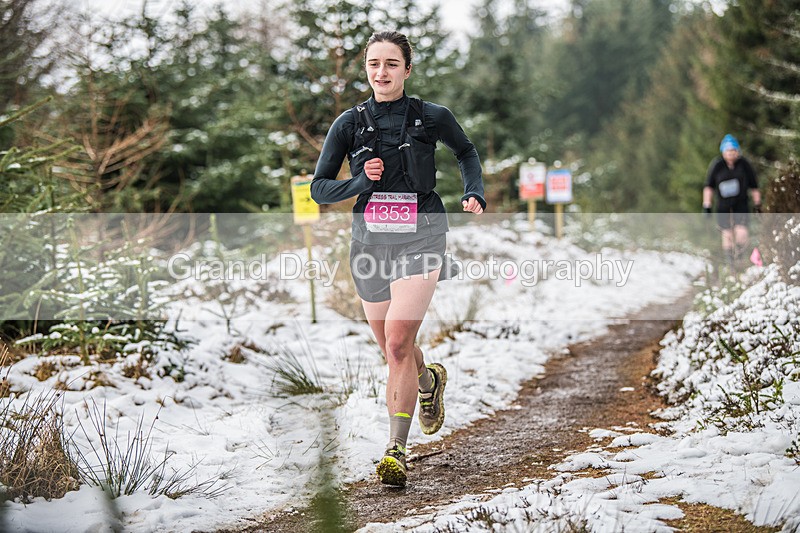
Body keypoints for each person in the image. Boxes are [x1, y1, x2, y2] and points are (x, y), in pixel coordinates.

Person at [310, 30, 485, 487]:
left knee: (398, 343)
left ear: (407, 69)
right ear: (365, 69)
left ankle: (396, 451)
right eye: (373, 64)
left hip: (422, 234)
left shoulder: (432, 117)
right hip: (370, 241)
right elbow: (319, 189)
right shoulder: (348, 124)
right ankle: (427, 382)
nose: (381, 73)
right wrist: (357, 184)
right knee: (390, 346)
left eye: (391, 64)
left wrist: (473, 190)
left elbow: (466, 152)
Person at [703, 134, 761, 268]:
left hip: (741, 204)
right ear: (723, 152)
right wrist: (707, 205)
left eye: (733, 151)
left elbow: (754, 186)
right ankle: (730, 263)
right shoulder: (717, 165)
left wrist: (758, 204)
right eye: (728, 151)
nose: (731, 153)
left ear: (737, 151)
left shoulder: (744, 164)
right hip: (723, 206)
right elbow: (708, 187)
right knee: (727, 234)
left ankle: (741, 258)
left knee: (741, 232)